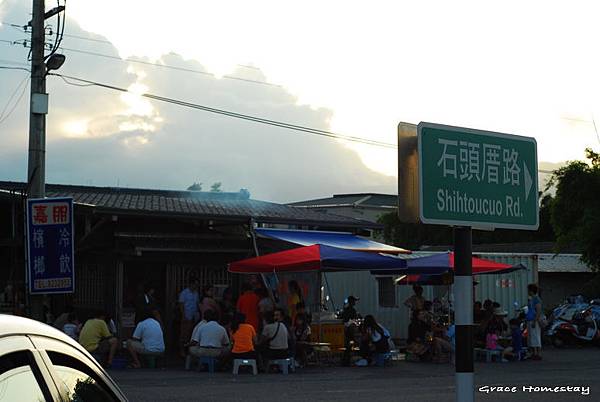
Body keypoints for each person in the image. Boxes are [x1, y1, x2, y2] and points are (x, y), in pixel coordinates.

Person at [178, 278, 200, 357]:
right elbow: (181, 305)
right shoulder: (184, 293)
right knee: (184, 335)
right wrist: (183, 315)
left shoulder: (196, 293)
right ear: (191, 284)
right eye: (195, 284)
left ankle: (189, 351)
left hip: (194, 317)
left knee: (192, 335)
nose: (196, 286)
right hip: (186, 316)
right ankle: (182, 351)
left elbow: (197, 304)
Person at [340, 296, 360, 366]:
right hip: (350, 331)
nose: (355, 303)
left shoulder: (345, 310)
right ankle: (347, 361)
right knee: (350, 345)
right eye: (354, 301)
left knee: (348, 346)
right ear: (351, 302)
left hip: (346, 330)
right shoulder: (352, 310)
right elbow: (354, 319)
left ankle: (346, 360)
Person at [526, 283, 543, 360]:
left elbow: (538, 311)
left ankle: (538, 353)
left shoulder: (536, 299)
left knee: (535, 336)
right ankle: (534, 352)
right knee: (531, 336)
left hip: (534, 320)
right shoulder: (531, 299)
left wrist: (534, 320)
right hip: (530, 319)